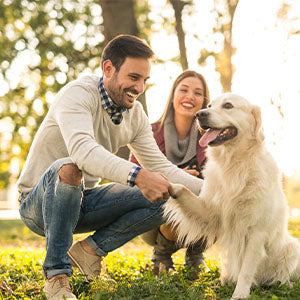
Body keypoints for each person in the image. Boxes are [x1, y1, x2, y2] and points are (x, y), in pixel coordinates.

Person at [17, 35, 203, 300]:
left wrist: (216, 192)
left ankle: (90, 251)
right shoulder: (77, 95)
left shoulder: (136, 115)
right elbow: (83, 151)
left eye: (144, 80)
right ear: (108, 69)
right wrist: (137, 176)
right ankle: (57, 276)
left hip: (83, 201)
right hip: (38, 204)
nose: (139, 87)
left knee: (169, 191)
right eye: (133, 77)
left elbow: (162, 167)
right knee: (69, 167)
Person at [130, 70, 210, 276]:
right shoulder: (149, 132)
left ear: (204, 101)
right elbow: (133, 177)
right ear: (173, 95)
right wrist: (177, 177)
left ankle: (195, 254)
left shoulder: (211, 139)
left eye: (198, 93)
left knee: (219, 200)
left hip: (199, 214)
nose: (190, 96)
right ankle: (162, 254)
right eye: (183, 90)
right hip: (154, 217)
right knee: (177, 202)